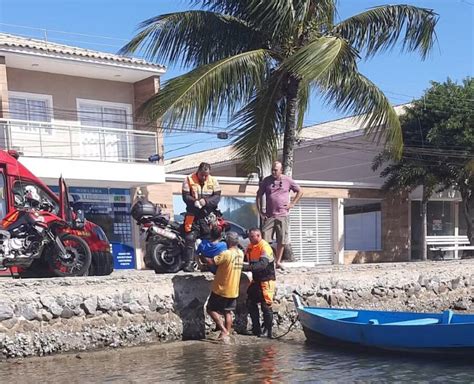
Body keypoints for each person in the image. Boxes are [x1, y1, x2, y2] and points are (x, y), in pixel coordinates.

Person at [256, 161, 303, 270]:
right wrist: (260, 211)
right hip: (269, 215)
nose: (273, 171)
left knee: (281, 239)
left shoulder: (287, 180)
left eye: (275, 170)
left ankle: (278, 261)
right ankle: (268, 260)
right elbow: (259, 195)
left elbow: (300, 191)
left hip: (282, 214)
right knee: (265, 239)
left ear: (281, 170)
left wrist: (292, 204)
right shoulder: (266, 181)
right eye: (272, 169)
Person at [182, 162, 221, 272]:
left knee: (210, 238)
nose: (204, 177)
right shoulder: (188, 179)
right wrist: (194, 201)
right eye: (202, 175)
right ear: (198, 172)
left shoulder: (214, 181)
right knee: (190, 238)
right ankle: (189, 263)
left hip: (207, 215)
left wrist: (205, 201)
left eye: (206, 175)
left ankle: (211, 264)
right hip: (192, 214)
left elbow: (217, 197)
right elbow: (185, 196)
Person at [204, 231, 244, 340]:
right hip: (234, 289)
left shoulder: (226, 254)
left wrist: (204, 257)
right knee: (228, 311)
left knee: (210, 309)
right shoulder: (241, 253)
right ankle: (227, 334)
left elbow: (212, 261)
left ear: (228, 242)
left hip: (222, 288)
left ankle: (223, 330)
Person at [243, 228, 276, 338]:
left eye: (252, 237)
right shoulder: (249, 247)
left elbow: (262, 264)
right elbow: (244, 258)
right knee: (250, 303)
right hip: (256, 280)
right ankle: (256, 328)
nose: (250, 239)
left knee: (265, 306)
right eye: (249, 237)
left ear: (259, 235)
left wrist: (246, 267)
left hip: (266, 280)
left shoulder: (265, 247)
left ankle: (268, 330)